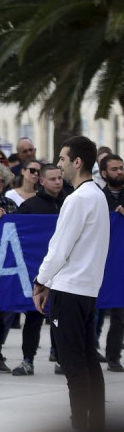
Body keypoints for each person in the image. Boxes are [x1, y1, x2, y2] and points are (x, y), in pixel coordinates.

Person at [33, 136, 110, 432]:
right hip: (87, 289)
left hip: (70, 289)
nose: (60, 165)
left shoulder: (77, 199)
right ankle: (96, 426)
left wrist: (41, 281)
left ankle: (81, 429)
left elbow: (59, 249)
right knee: (88, 359)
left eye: (63, 159)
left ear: (77, 162)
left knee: (74, 363)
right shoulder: (98, 196)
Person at [11, 163, 65, 377]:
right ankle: (27, 360)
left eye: (60, 178)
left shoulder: (69, 203)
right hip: (37, 271)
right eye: (53, 179)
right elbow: (15, 234)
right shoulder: (30, 206)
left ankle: (61, 359)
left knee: (60, 318)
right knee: (34, 316)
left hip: (63, 272)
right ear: (41, 181)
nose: (58, 182)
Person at [97, 154, 124, 374]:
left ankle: (114, 356)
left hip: (121, 262)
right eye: (114, 169)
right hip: (101, 262)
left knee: (120, 312)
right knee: (93, 312)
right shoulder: (97, 198)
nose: (119, 172)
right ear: (104, 173)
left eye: (121, 168)